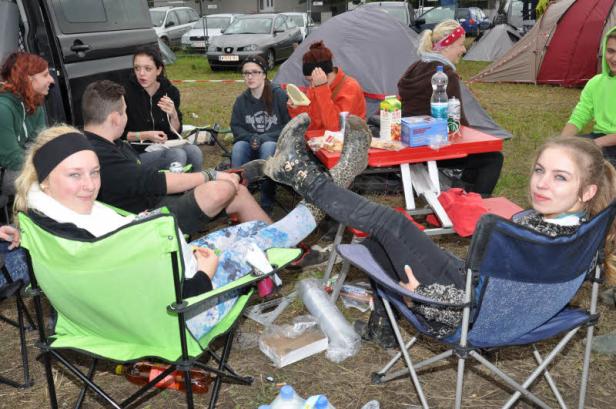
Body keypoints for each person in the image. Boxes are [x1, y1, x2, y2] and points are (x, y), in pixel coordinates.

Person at [13, 113, 371, 339]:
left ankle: (309, 179)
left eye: (94, 173)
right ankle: (334, 178)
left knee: (249, 232)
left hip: (133, 307)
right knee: (267, 243)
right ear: (44, 180)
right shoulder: (83, 237)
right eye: (75, 175)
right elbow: (179, 295)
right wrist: (204, 273)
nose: (90, 185)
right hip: (182, 315)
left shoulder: (48, 223)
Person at [261, 125, 616, 347]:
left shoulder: (536, 242)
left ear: (587, 191)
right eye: (541, 170)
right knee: (384, 234)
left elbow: (473, 307)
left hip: (462, 312)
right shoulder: (581, 233)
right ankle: (383, 330)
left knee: (385, 224)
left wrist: (424, 295)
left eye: (560, 177)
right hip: (483, 294)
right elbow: (506, 289)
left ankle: (300, 174)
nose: (541, 183)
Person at [81, 79, 270, 235]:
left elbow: (142, 177)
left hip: (156, 204)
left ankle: (279, 242)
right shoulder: (97, 155)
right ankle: (230, 177)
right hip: (148, 223)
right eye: (124, 112)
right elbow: (152, 180)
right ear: (115, 118)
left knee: (239, 192)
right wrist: (211, 175)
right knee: (222, 189)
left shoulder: (108, 144)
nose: (126, 117)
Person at [398, 20, 503, 196]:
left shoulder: (416, 66)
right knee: (493, 158)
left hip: (409, 140)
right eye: (460, 45)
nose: (463, 49)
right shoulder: (445, 75)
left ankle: (462, 190)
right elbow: (457, 121)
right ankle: (476, 203)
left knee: (479, 157)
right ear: (446, 46)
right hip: (430, 146)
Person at [123, 47, 203, 172]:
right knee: (177, 155)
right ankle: (173, 190)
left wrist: (174, 115)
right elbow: (119, 134)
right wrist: (146, 135)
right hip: (136, 152)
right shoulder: (126, 93)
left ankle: (194, 188)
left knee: (194, 151)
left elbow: (175, 132)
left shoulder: (170, 92)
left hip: (165, 146)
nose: (141, 73)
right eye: (137, 68)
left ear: (158, 70)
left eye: (147, 68)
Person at [231, 55, 290, 214]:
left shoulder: (279, 95)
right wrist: (250, 138)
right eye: (246, 73)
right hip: (250, 143)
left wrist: (263, 137)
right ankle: (238, 197)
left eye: (255, 72)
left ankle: (266, 200)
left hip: (275, 146)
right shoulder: (241, 101)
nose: (250, 77)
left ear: (264, 74)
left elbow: (288, 126)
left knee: (268, 147)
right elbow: (236, 127)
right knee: (238, 147)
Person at [561, 26, 616, 167]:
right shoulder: (595, 83)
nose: (614, 58)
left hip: (605, 142)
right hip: (600, 138)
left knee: (590, 164)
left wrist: (593, 145)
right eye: (611, 51)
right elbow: (579, 116)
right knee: (566, 153)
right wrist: (561, 143)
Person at [0, 52, 54, 195]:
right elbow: (12, 159)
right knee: (53, 183)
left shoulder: (34, 102)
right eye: (45, 75)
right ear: (28, 79)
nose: (52, 80)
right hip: (8, 171)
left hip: (23, 165)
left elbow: (41, 142)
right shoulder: (3, 108)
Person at [287, 41, 366, 136]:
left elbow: (335, 128)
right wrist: (298, 108)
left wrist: (322, 89)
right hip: (318, 144)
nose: (311, 85)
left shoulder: (350, 87)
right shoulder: (315, 87)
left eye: (313, 80)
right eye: (309, 81)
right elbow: (311, 125)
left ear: (323, 74)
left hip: (346, 143)